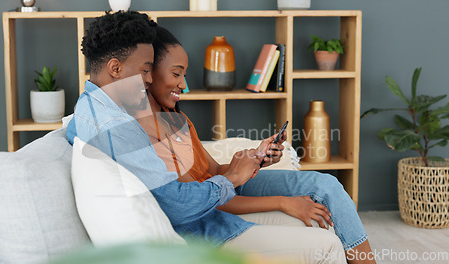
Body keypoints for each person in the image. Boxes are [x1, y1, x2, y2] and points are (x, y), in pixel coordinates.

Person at [66, 11, 353, 264]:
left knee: (320, 212)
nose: (150, 79)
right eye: (144, 71)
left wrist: (246, 165)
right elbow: (179, 204)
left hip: (211, 221)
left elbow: (203, 175)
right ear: (115, 68)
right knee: (327, 245)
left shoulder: (90, 110)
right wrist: (234, 178)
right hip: (203, 234)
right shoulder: (117, 125)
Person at [140, 25, 377, 264]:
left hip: (229, 186)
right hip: (218, 198)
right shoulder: (146, 134)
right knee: (319, 223)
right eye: (176, 74)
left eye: (184, 75)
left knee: (327, 184)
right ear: (148, 73)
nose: (183, 85)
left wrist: (255, 159)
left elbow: (214, 171)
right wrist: (283, 202)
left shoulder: (177, 119)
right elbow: (205, 197)